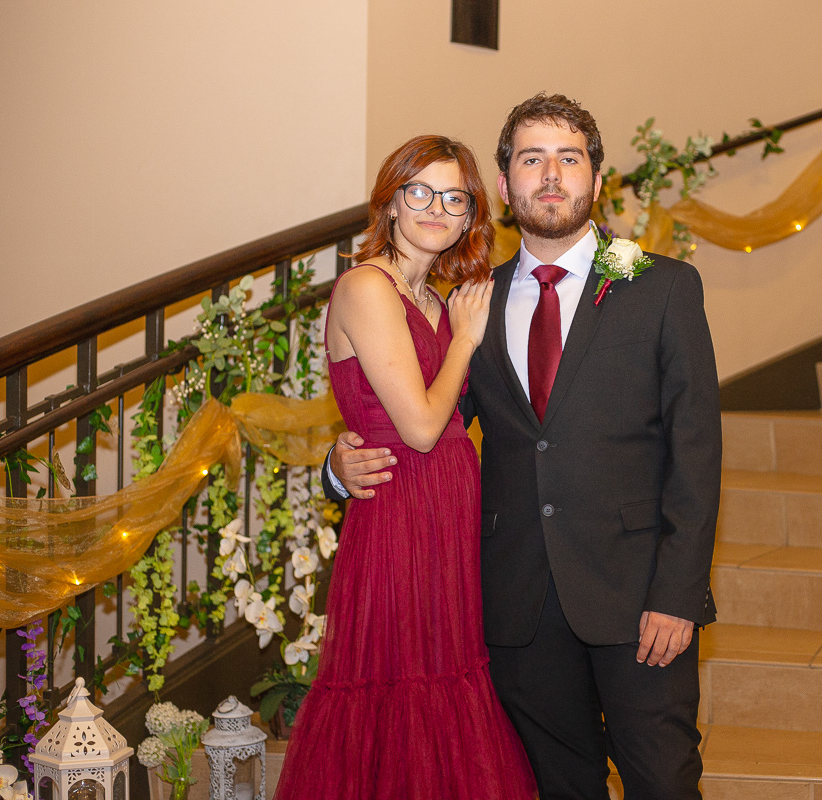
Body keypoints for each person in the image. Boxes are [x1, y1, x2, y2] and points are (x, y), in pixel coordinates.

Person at [325, 94, 721, 800]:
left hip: (636, 596)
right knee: (557, 787)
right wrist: (336, 465)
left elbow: (697, 453)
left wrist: (678, 595)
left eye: (570, 158)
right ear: (505, 187)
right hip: (516, 604)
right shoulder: (470, 303)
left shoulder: (661, 286)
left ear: (597, 179)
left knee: (663, 782)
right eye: (532, 159)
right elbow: (426, 422)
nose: (551, 174)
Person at [275, 134, 537, 799]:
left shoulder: (438, 300)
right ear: (391, 202)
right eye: (419, 192)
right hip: (398, 515)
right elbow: (420, 428)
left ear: (471, 213)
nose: (436, 209)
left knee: (446, 682)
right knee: (399, 689)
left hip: (448, 516)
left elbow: (458, 414)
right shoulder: (367, 286)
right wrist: (466, 339)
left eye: (454, 198)